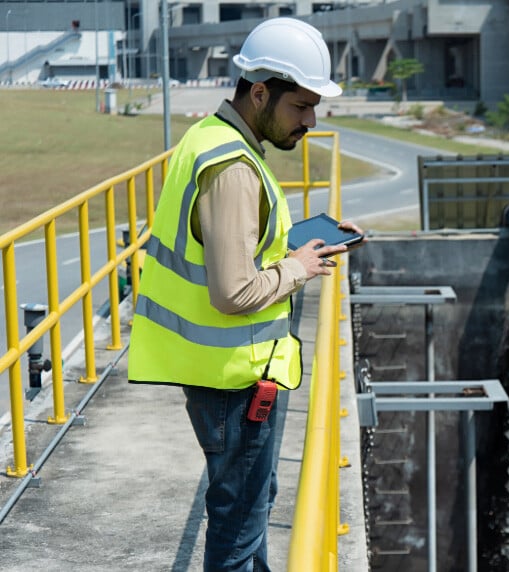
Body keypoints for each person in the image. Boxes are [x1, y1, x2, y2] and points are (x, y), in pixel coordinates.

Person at [128, 17, 361, 572]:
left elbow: (240, 244)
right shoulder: (233, 167)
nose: (309, 121)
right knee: (238, 527)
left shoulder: (214, 137)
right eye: (300, 107)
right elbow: (233, 291)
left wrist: (295, 247)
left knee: (249, 512)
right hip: (235, 381)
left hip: (226, 376)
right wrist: (300, 268)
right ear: (260, 91)